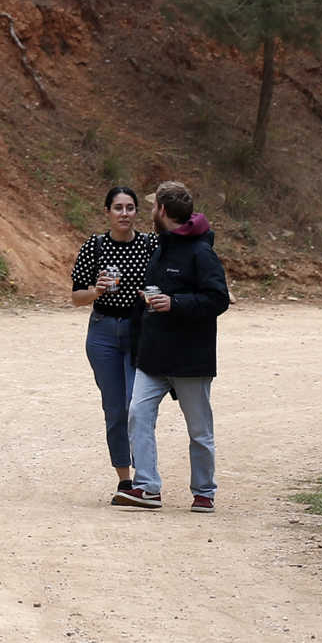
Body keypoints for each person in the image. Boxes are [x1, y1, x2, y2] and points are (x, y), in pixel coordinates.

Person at [114, 180, 231, 512]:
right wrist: (149, 301)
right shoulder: (160, 247)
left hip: (191, 359)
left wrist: (174, 303)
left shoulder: (202, 252)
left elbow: (218, 299)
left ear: (162, 211)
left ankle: (204, 492)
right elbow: (160, 292)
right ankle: (147, 487)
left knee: (199, 430)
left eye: (153, 206)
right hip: (153, 356)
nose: (150, 211)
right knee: (137, 414)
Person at [71, 185, 155, 502]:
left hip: (139, 331)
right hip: (103, 331)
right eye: (118, 208)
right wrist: (96, 291)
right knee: (115, 408)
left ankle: (146, 476)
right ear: (107, 212)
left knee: (138, 405)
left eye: (130, 208)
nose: (124, 214)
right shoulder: (94, 247)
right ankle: (125, 479)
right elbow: (76, 297)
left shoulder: (149, 245)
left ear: (137, 212)